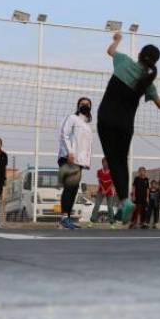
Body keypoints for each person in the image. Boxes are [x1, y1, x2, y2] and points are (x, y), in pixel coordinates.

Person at [98, 31, 160, 215]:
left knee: (112, 160)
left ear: (140, 54)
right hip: (125, 126)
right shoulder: (148, 82)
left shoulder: (124, 61)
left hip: (106, 119)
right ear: (154, 63)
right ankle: (124, 201)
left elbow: (110, 51)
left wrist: (117, 40)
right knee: (121, 161)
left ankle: (124, 201)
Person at [57, 97, 94, 230]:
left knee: (73, 189)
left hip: (79, 162)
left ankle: (66, 218)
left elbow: (86, 146)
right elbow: (63, 134)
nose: (85, 105)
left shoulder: (87, 126)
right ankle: (63, 218)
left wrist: (86, 162)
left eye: (87, 104)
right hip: (69, 158)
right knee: (69, 187)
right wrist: (70, 153)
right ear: (78, 106)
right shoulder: (72, 118)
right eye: (82, 103)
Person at [90, 158, 117, 228]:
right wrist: (103, 190)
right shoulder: (99, 171)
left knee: (110, 207)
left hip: (109, 191)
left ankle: (112, 223)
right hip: (101, 190)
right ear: (102, 163)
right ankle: (92, 221)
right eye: (104, 162)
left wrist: (106, 191)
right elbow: (99, 181)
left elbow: (112, 183)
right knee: (97, 205)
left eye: (107, 162)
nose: (106, 164)